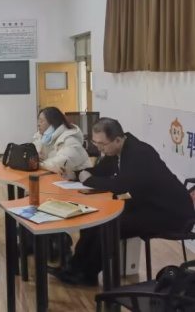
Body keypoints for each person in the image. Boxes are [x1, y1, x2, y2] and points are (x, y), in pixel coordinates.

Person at [49, 118, 195, 286]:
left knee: (107, 224)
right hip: (147, 205)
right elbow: (100, 171)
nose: (99, 149)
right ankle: (75, 268)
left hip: (170, 215)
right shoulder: (118, 150)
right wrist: (75, 174)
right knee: (94, 218)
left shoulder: (139, 154)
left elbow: (121, 186)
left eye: (102, 144)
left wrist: (88, 180)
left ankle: (86, 274)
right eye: (96, 143)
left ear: (117, 140)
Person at [33, 107, 93, 173]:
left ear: (53, 122)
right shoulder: (43, 138)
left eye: (41, 121)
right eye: (38, 121)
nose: (38, 124)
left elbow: (62, 164)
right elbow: (30, 154)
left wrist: (38, 164)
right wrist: (36, 157)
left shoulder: (70, 139)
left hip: (82, 178)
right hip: (60, 177)